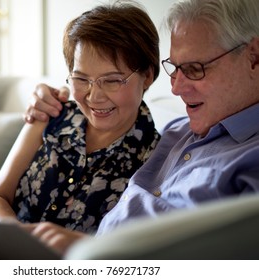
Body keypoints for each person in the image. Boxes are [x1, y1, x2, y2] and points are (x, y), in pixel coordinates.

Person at [24, 0, 259, 253]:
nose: (175, 88)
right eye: (176, 68)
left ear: (254, 58)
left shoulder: (249, 158)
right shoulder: (179, 131)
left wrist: (93, 253)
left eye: (194, 69)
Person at [0, 1, 160, 250]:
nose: (94, 96)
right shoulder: (53, 113)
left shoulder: (155, 159)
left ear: (148, 76)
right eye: (81, 78)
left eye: (112, 80)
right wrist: (17, 241)